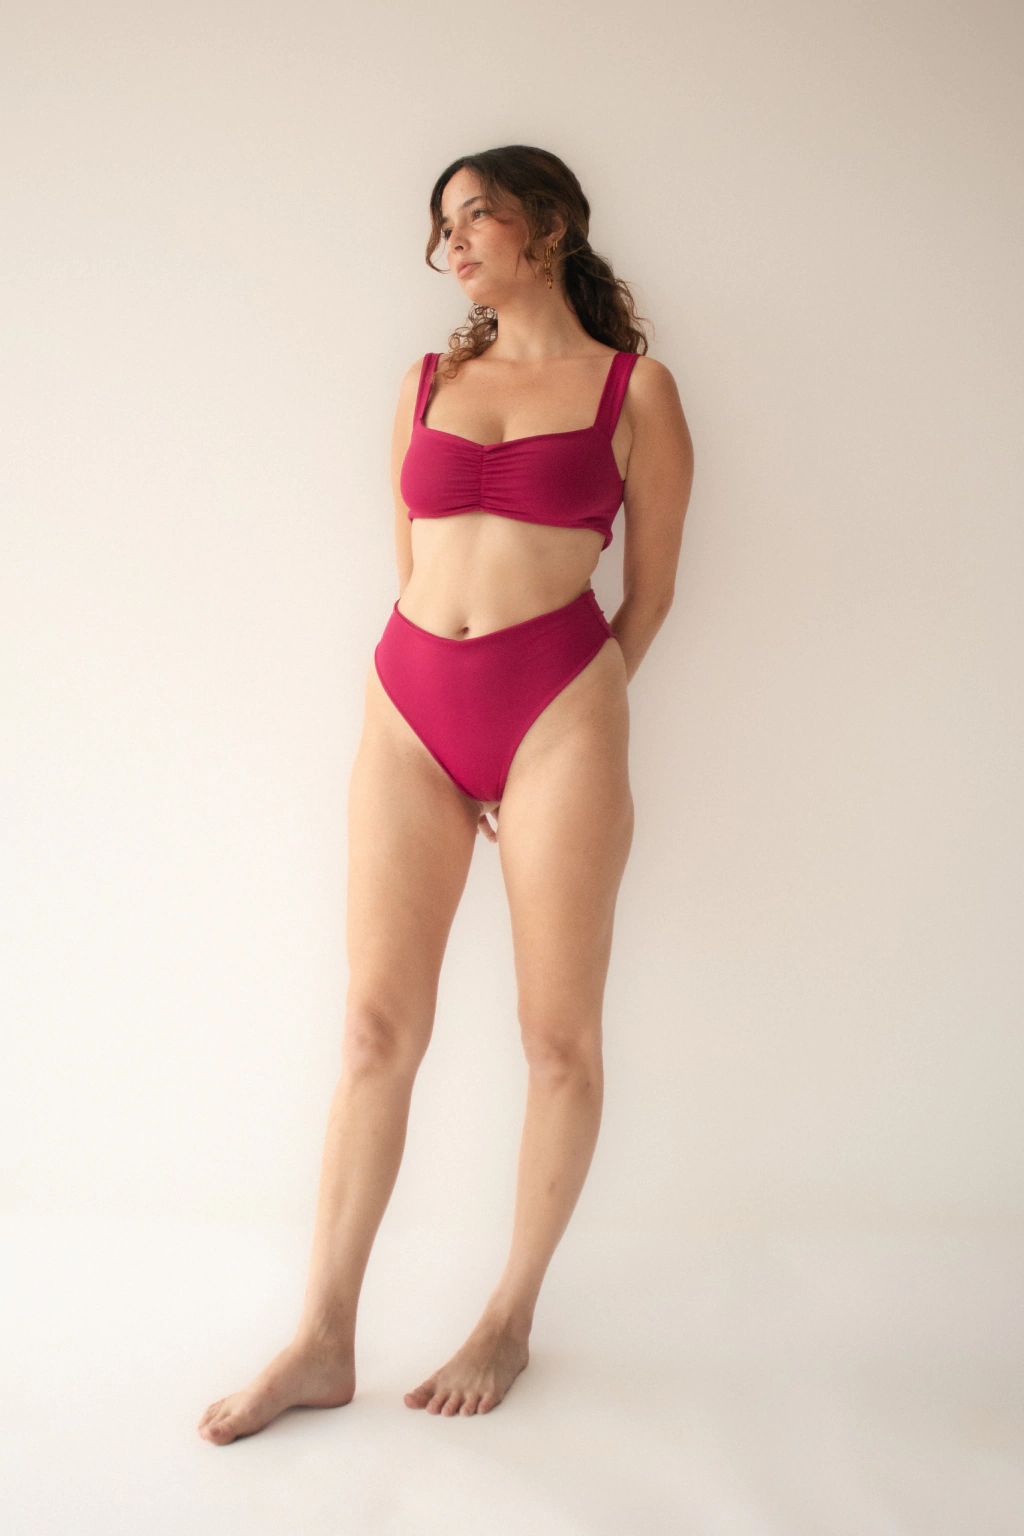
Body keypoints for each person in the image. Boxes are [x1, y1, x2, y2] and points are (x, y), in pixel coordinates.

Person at [198, 143, 693, 1444]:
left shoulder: (635, 390)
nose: (452, 242)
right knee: (373, 1031)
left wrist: (570, 712)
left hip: (559, 706)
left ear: (551, 225)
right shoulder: (427, 382)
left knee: (557, 1040)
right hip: (409, 703)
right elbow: (410, 557)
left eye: (476, 215)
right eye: (442, 224)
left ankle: (509, 1318)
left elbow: (649, 594)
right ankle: (321, 1338)